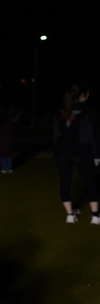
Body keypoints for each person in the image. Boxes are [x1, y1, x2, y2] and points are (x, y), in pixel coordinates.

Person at [53, 83, 99, 225]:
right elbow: (93, 134)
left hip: (63, 150)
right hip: (82, 150)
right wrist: (97, 155)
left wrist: (57, 151)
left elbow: (56, 134)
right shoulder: (89, 110)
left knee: (65, 181)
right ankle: (95, 216)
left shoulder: (60, 110)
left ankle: (69, 215)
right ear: (83, 95)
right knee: (90, 181)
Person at [0, 93, 18, 173]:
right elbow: (13, 115)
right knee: (7, 149)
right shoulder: (9, 107)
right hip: (7, 127)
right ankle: (5, 168)